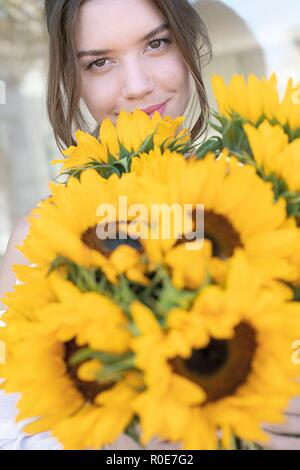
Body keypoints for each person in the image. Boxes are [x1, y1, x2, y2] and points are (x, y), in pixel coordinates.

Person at [0, 0, 298, 451]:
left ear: (188, 43)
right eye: (100, 62)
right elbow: (12, 429)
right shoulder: (43, 238)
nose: (137, 86)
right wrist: (124, 444)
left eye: (157, 43)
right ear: (73, 79)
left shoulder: (269, 195)